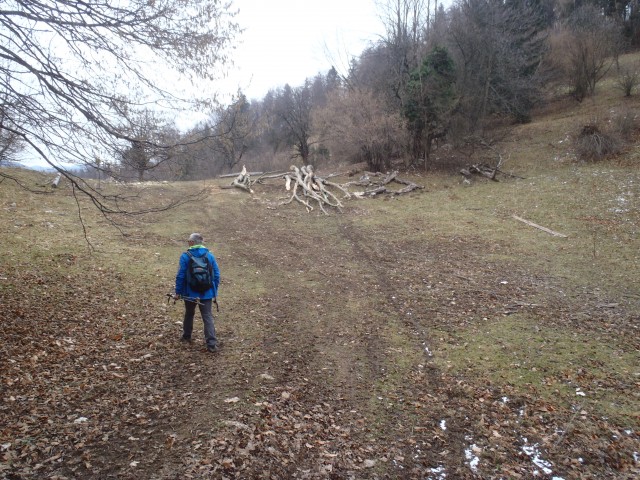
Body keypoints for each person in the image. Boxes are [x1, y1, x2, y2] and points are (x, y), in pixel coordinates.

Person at [175, 233, 221, 352]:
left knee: (189, 313)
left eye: (188, 241)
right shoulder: (209, 256)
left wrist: (178, 292)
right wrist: (213, 291)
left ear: (191, 242)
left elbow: (180, 276)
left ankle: (186, 336)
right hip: (207, 292)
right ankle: (211, 344)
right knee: (207, 316)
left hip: (189, 292)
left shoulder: (185, 256)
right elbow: (216, 275)